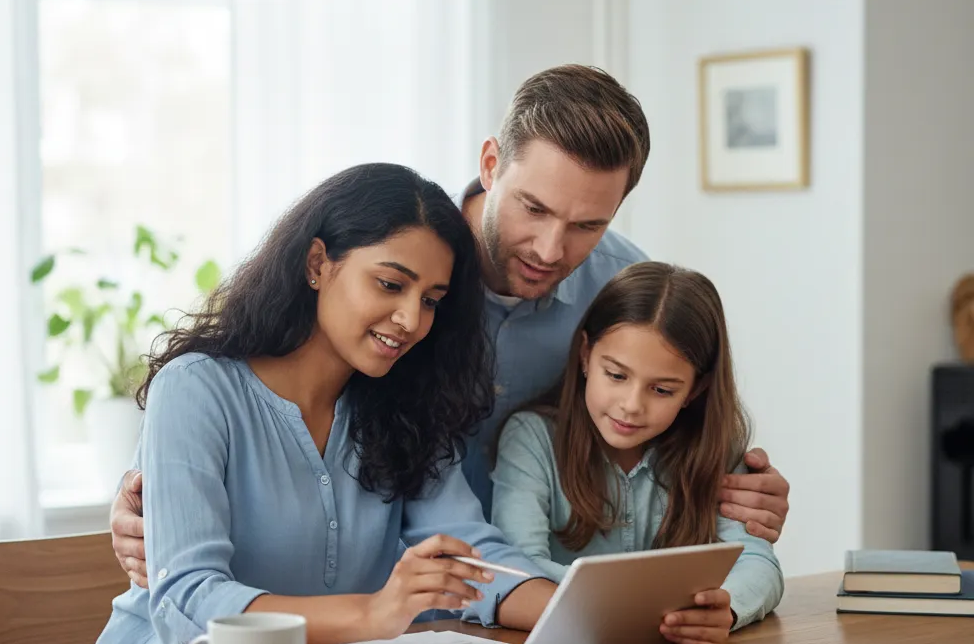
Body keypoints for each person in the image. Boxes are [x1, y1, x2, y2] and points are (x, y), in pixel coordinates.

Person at [111, 66, 791, 589]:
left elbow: (686, 425)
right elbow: (224, 417)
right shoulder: (403, 253)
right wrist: (153, 499)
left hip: (494, 601)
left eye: (588, 225)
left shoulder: (623, 296)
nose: (551, 248)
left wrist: (738, 490)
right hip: (395, 608)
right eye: (533, 208)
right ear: (491, 165)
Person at [92, 164, 555, 644]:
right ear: (317, 263)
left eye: (431, 301)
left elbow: (474, 559)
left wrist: (593, 614)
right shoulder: (195, 389)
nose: (411, 320)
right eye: (390, 284)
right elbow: (189, 602)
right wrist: (372, 614)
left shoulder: (407, 407)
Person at [491, 263, 784, 644]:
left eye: (662, 390)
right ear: (585, 355)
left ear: (695, 390)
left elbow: (758, 562)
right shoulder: (532, 439)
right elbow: (519, 563)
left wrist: (724, 608)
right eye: (616, 375)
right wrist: (640, 607)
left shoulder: (717, 450)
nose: (631, 405)